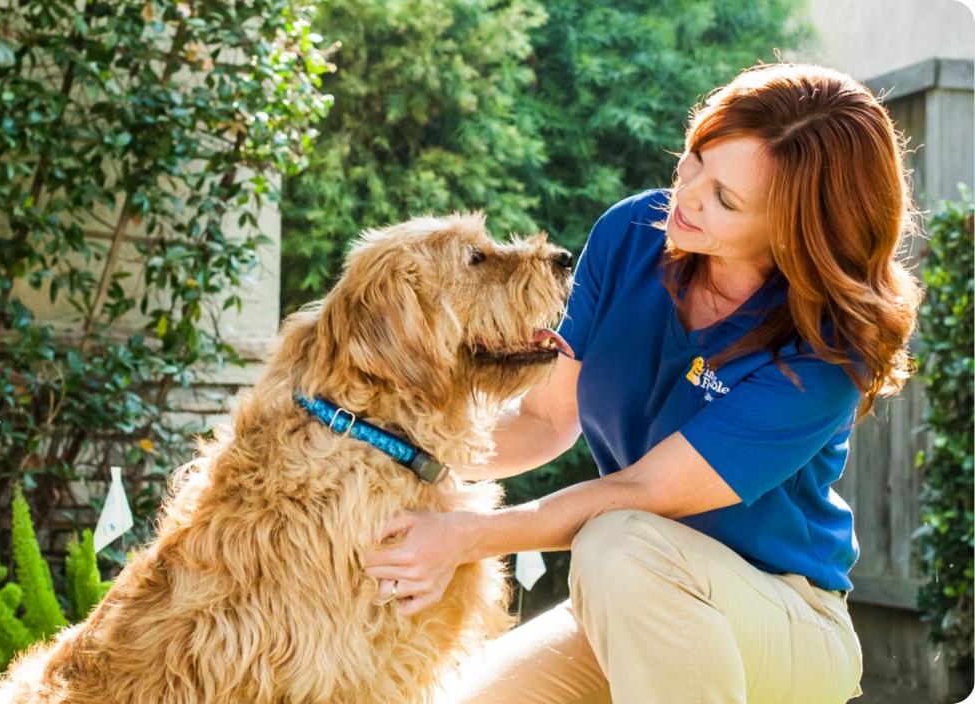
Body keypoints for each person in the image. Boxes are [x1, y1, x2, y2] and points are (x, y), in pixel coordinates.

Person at [363, 63, 921, 703]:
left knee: (616, 536)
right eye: (695, 161)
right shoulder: (631, 234)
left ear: (797, 229)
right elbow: (545, 422)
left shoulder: (827, 347)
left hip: (780, 614)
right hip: (626, 600)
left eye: (726, 200)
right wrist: (386, 455)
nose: (685, 197)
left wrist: (462, 539)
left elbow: (644, 489)